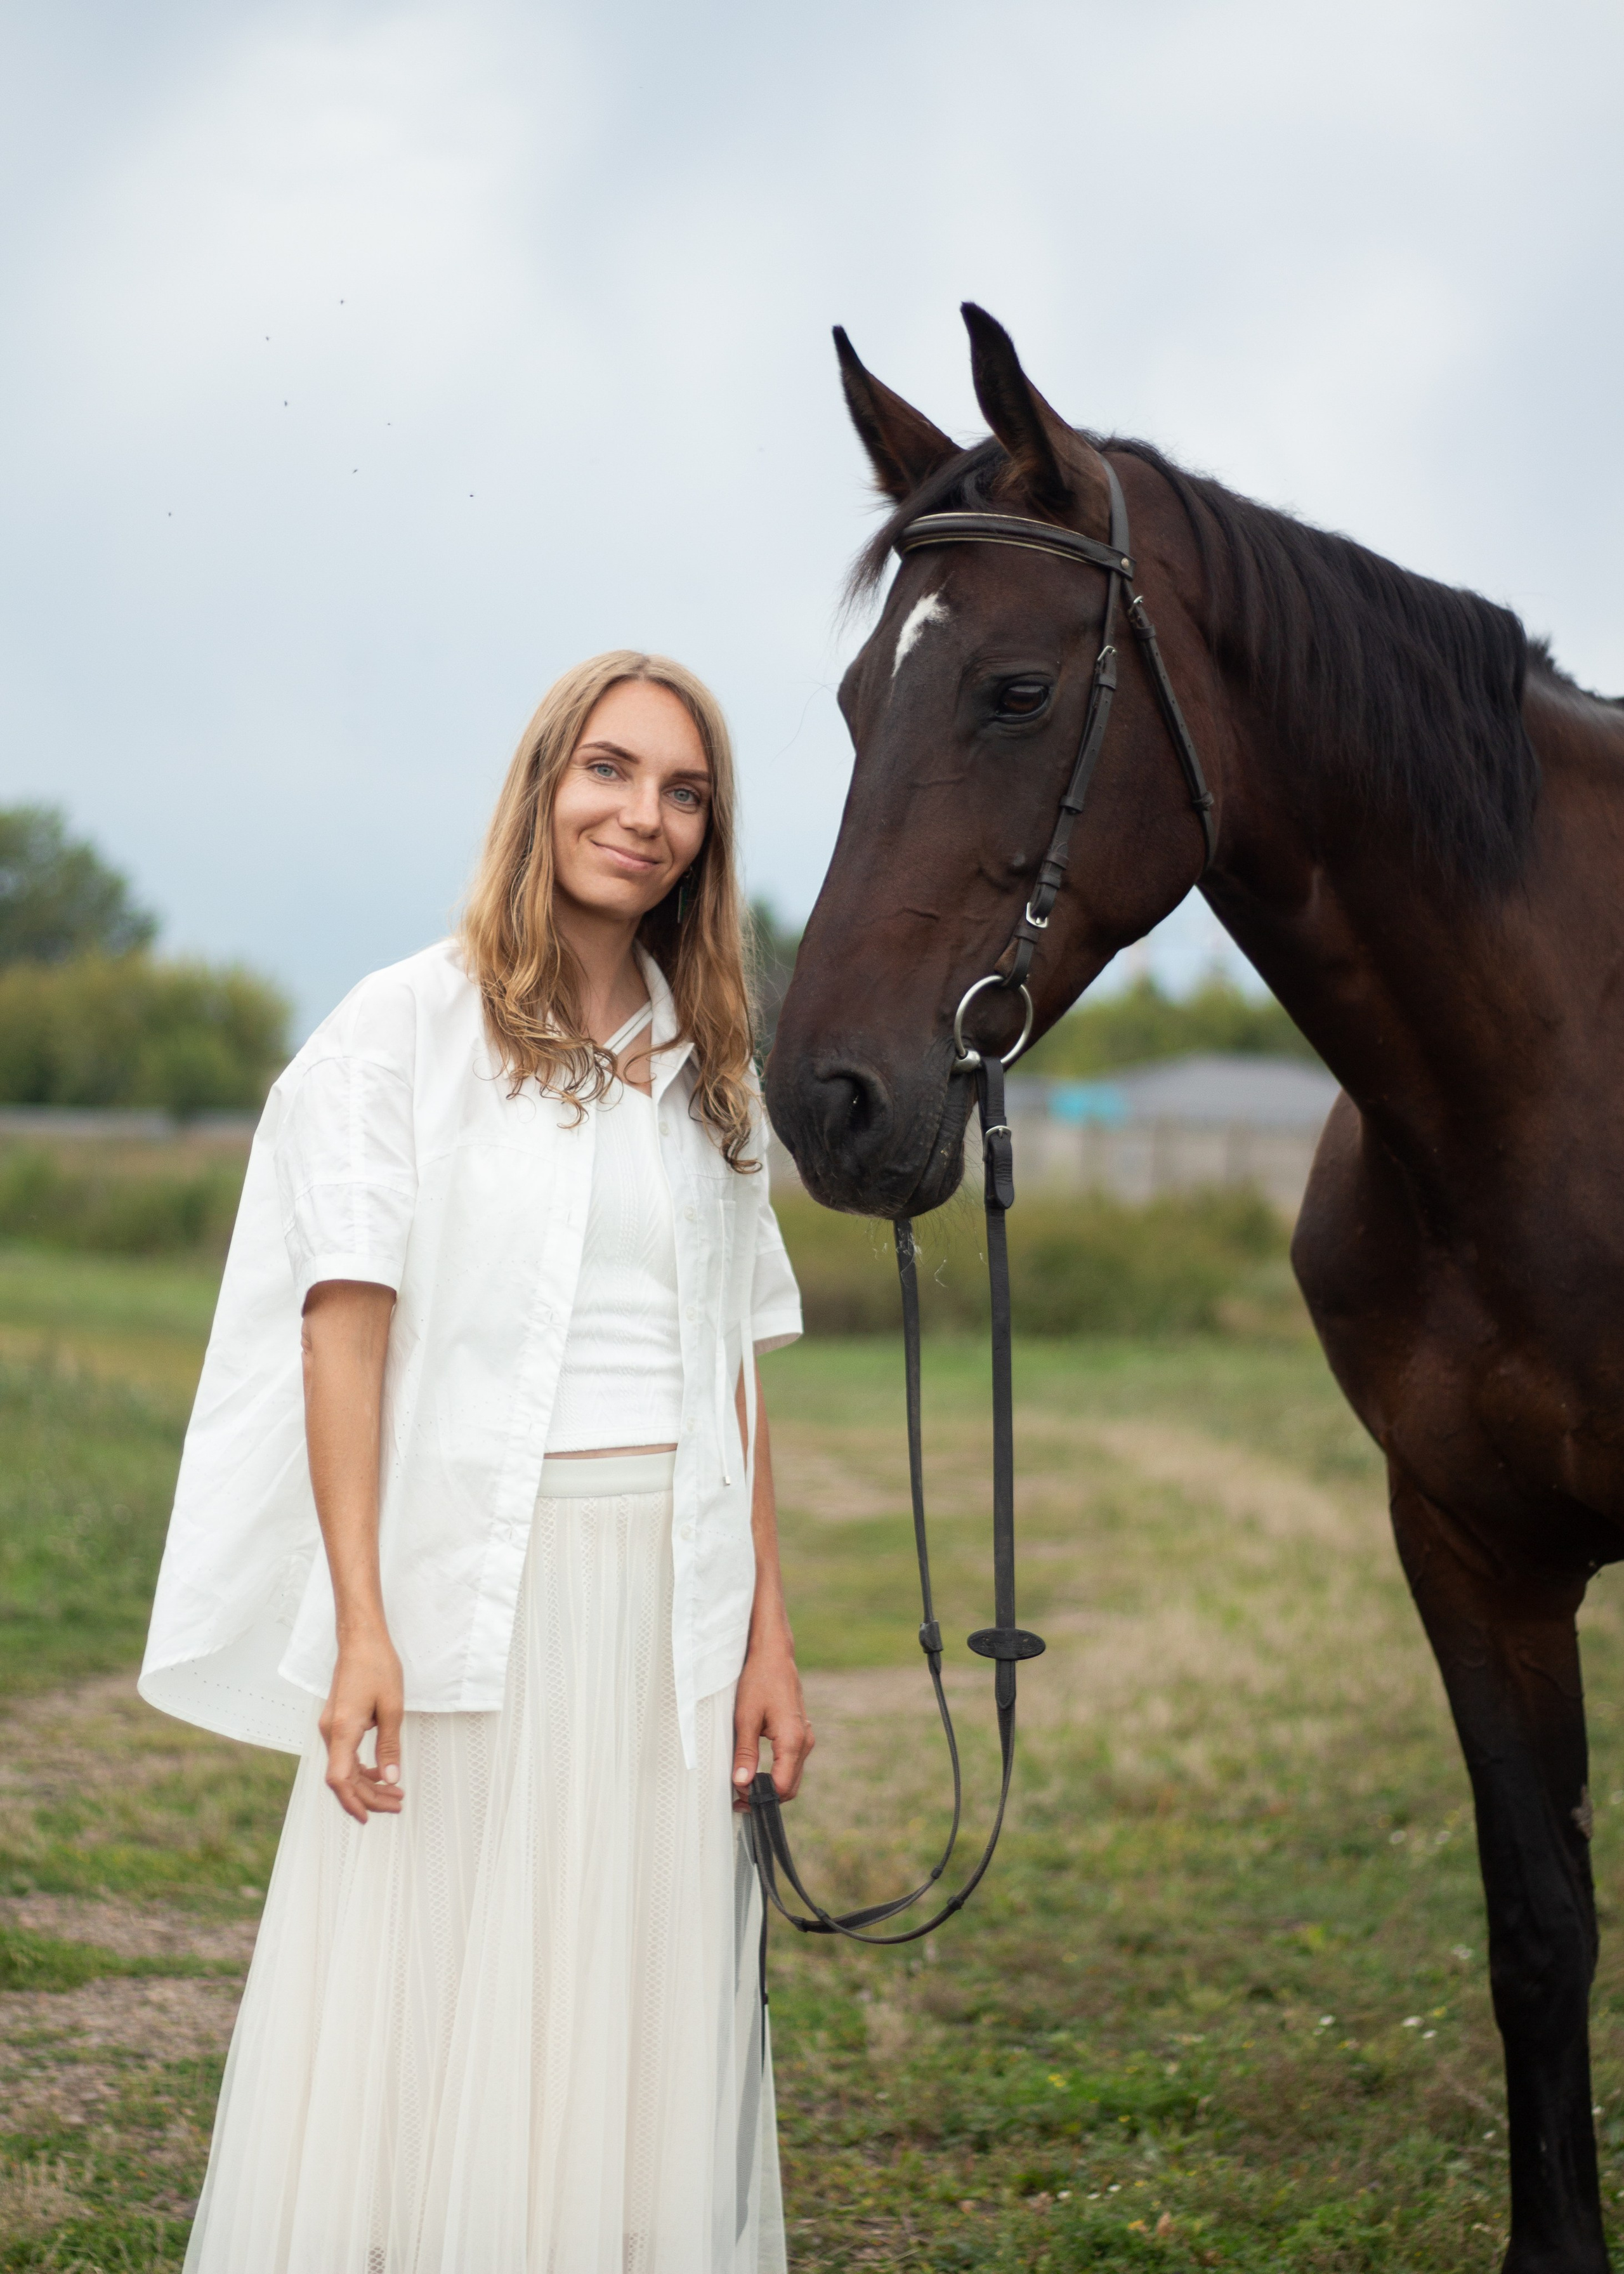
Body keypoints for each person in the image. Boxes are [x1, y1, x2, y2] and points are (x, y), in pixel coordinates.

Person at [139, 652, 811, 2273]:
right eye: (609, 770)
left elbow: (727, 1368)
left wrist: (767, 1636)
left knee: (623, 2012)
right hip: (471, 1600)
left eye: (683, 792)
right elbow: (340, 1338)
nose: (642, 816)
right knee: (427, 2006)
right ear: (541, 785)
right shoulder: (403, 1029)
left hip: (667, 1599)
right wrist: (362, 1623)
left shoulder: (710, 1065)